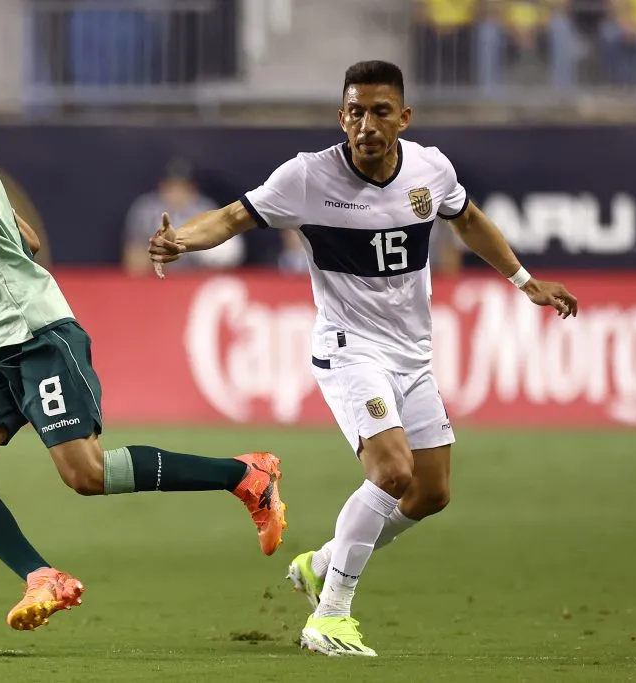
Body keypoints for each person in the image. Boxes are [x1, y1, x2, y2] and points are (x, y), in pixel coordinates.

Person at [148, 60, 578, 657]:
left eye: (380, 111)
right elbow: (231, 216)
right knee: (392, 472)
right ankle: (331, 616)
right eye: (355, 111)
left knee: (430, 494)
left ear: (404, 118)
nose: (367, 124)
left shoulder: (431, 170)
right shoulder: (307, 178)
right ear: (341, 116)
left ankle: (324, 562)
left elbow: (469, 220)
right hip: (349, 350)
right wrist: (181, 239)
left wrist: (523, 279)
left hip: (413, 355)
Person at [0, 63, 286, 632]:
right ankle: (41, 577)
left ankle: (245, 474)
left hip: (35, 336)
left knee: (85, 472)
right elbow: (17, 231)